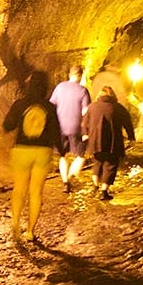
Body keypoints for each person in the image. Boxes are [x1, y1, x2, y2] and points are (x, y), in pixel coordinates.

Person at [2, 71, 61, 243]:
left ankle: (15, 225)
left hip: (22, 150)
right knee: (36, 192)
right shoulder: (50, 107)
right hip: (42, 152)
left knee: (19, 190)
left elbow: (8, 125)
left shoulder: (20, 104)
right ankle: (30, 232)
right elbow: (56, 133)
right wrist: (63, 152)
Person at [81, 86, 135, 200]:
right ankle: (104, 191)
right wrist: (131, 137)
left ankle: (95, 186)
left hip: (95, 141)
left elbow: (84, 122)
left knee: (97, 163)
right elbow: (128, 123)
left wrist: (85, 134)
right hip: (113, 142)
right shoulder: (118, 108)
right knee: (110, 165)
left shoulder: (92, 107)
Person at [49, 64, 91, 192]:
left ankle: (65, 182)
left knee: (62, 156)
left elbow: (52, 105)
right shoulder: (83, 90)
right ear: (80, 75)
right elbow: (85, 112)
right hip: (75, 128)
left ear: (69, 74)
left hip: (60, 127)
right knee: (81, 156)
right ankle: (70, 176)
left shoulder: (59, 87)